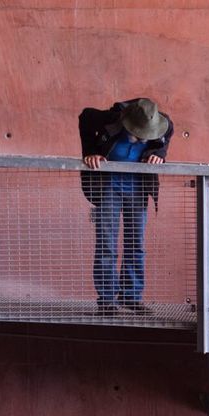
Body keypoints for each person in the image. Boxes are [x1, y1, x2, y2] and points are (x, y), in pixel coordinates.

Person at [78, 97, 174, 316]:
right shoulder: (109, 119)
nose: (142, 140)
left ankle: (131, 297)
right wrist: (90, 152)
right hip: (109, 187)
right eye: (138, 134)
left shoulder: (163, 124)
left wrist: (159, 154)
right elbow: (84, 117)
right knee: (107, 245)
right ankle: (108, 301)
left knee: (135, 244)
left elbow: (167, 136)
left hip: (138, 187)